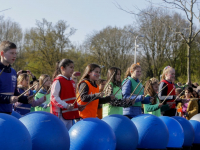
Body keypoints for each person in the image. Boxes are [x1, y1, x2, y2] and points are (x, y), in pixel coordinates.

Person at [0, 41, 34, 114]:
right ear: (2, 53)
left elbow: (15, 93)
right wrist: (9, 99)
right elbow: (10, 97)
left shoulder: (13, 72)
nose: (14, 56)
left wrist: (26, 99)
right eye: (12, 53)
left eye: (15, 53)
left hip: (9, 113)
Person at [51, 59, 82, 130]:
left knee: (69, 135)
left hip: (69, 114)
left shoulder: (72, 81)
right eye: (70, 67)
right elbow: (54, 97)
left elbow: (71, 98)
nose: (72, 69)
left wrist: (77, 105)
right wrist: (66, 105)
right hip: (59, 114)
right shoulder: (58, 81)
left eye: (73, 67)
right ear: (63, 68)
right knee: (60, 134)